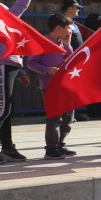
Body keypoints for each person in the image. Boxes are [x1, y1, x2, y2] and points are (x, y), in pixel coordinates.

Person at [0, 0, 42, 161]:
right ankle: (6, 147)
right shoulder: (2, 13)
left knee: (7, 110)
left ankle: (7, 147)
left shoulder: (2, 12)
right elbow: (19, 8)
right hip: (1, 65)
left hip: (10, 65)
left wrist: (21, 70)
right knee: (3, 109)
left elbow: (11, 40)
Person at [24, 14, 73, 159]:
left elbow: (70, 60)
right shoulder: (42, 43)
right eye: (68, 28)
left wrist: (68, 45)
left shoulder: (63, 43)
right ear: (58, 28)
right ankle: (51, 149)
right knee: (54, 118)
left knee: (68, 117)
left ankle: (60, 145)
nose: (70, 31)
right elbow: (31, 63)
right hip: (50, 85)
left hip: (65, 85)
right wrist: (46, 70)